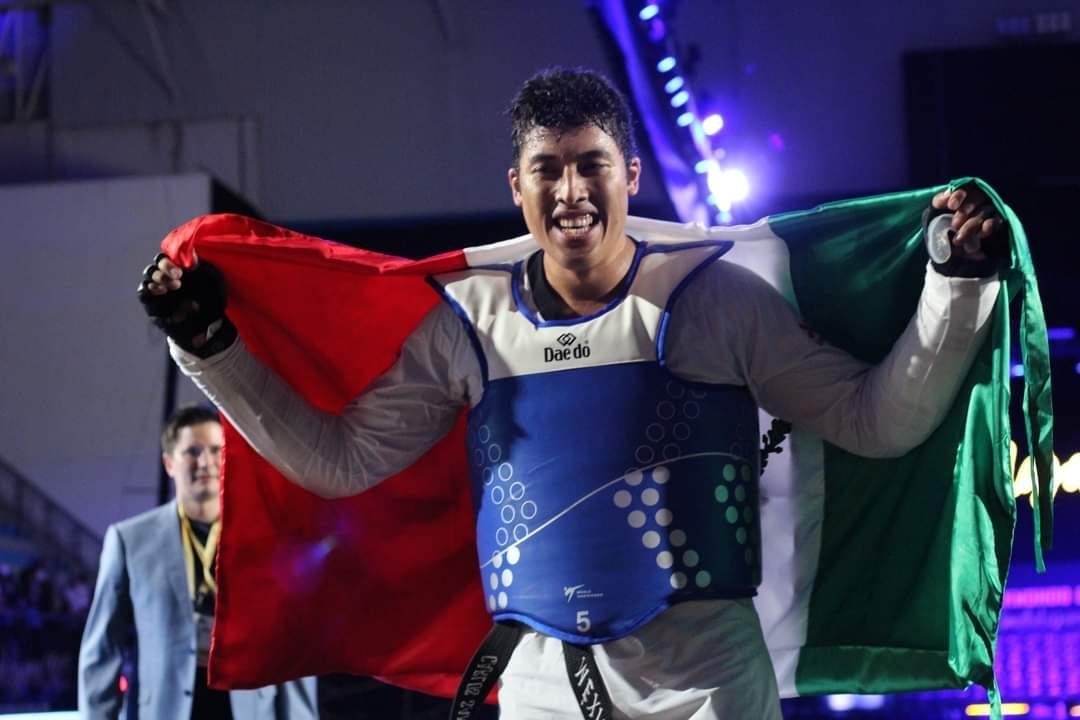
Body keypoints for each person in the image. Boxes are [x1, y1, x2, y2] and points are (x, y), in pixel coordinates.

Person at [137, 68, 1008, 719]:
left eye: (591, 164)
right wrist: (210, 346)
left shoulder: (717, 301)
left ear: (629, 173)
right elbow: (340, 461)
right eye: (546, 168)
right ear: (515, 186)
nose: (570, 190)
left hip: (709, 682)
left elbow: (875, 421)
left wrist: (955, 284)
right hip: (545, 681)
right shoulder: (466, 322)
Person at [78, 405, 319, 720]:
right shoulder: (129, 541)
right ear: (169, 463)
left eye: (216, 450)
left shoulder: (267, 540)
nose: (205, 462)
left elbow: (290, 647)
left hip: (248, 708)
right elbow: (102, 650)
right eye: (192, 451)